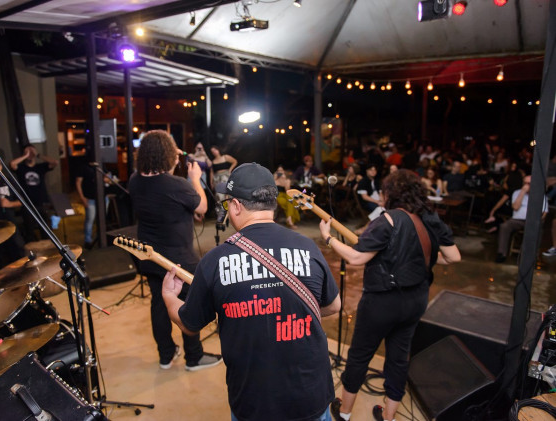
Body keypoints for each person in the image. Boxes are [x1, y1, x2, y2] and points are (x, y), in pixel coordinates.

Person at [162, 162, 341, 421]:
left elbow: (189, 325)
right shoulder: (308, 247)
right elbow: (334, 305)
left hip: (254, 403)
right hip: (311, 396)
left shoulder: (215, 261)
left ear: (236, 206)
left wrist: (169, 297)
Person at [320, 169, 461, 421]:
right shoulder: (430, 218)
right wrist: (420, 258)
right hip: (416, 300)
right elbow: (453, 257)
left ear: (391, 194)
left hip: (382, 302)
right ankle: (388, 416)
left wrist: (328, 238)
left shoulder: (388, 220)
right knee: (398, 359)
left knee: (360, 355)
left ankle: (344, 413)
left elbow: (356, 258)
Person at [128, 130, 222, 371]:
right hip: (179, 259)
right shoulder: (177, 185)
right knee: (189, 305)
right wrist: (195, 178)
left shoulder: (134, 180)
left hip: (150, 256)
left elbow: (165, 202)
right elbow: (202, 207)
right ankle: (194, 357)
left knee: (159, 304)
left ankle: (166, 355)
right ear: (168, 155)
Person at [10, 145, 58, 241]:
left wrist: (38, 155)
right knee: (29, 230)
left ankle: (47, 247)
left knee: (45, 229)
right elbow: (12, 164)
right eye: (27, 152)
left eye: (32, 152)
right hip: (27, 203)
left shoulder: (40, 167)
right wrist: (25, 155)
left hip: (42, 202)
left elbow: (55, 162)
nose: (30, 154)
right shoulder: (21, 168)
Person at [495, 175, 548, 263]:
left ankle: (527, 256)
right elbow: (515, 207)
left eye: (529, 183)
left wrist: (536, 220)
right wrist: (522, 192)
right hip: (517, 220)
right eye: (525, 183)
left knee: (537, 230)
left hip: (532, 222)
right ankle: (501, 253)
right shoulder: (517, 192)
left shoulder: (540, 195)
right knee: (504, 226)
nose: (526, 185)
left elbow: (544, 213)